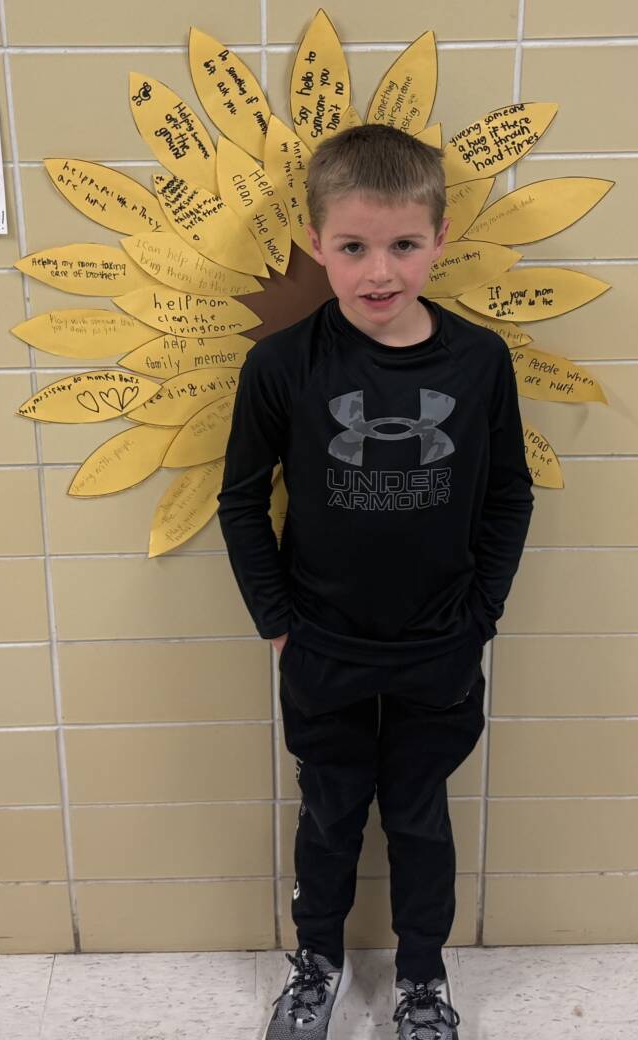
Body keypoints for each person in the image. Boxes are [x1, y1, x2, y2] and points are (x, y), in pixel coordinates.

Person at [220, 123, 535, 1040]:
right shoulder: (282, 366)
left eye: (403, 245)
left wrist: (483, 613)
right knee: (328, 813)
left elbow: (509, 494)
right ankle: (315, 961)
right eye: (353, 247)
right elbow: (241, 501)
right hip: (323, 645)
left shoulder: (480, 363)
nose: (379, 272)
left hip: (440, 643)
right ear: (316, 243)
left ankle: (423, 979)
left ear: (440, 239)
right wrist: (280, 622)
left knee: (420, 817)